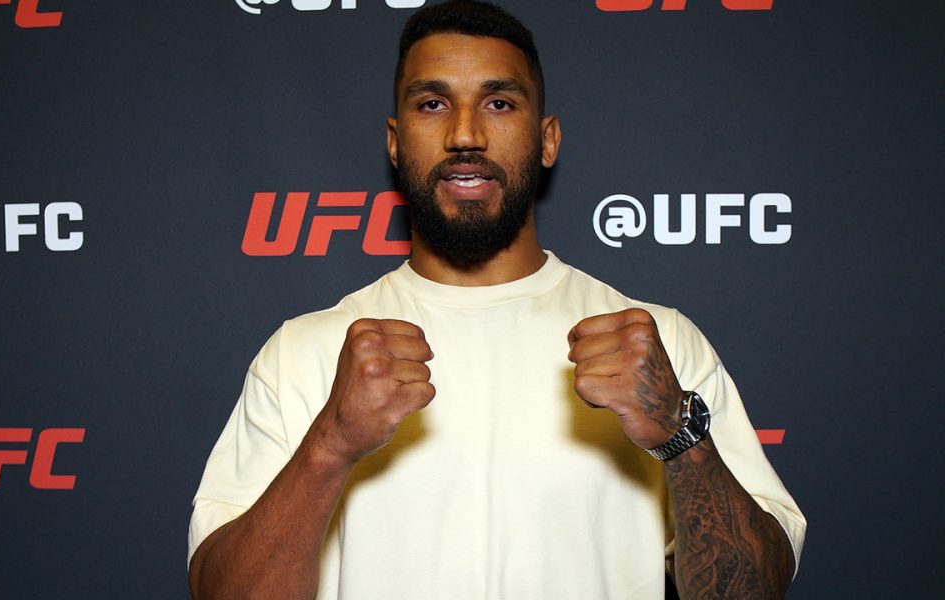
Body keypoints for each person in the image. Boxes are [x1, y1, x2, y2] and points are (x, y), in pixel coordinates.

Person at [187, 1, 806, 598]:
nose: (464, 133)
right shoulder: (305, 351)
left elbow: (754, 589)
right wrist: (330, 444)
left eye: (499, 102)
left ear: (547, 140)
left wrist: (679, 433)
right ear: (396, 142)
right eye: (433, 104)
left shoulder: (657, 344)